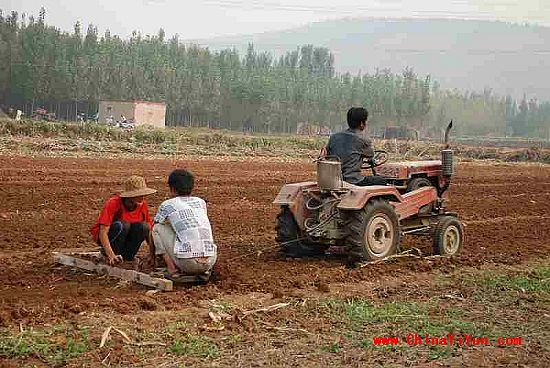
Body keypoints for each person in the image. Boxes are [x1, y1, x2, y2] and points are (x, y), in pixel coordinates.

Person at [152, 169, 217, 279]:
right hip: (210, 261)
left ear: (172, 188)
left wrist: (152, 256)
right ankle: (205, 268)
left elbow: (155, 225)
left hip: (188, 263)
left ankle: (171, 268)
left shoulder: (167, 204)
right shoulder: (200, 202)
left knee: (156, 228)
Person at [90, 176, 157, 266]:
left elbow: (149, 232)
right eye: (139, 195)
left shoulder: (142, 205)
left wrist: (153, 255)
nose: (142, 197)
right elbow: (103, 232)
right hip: (112, 237)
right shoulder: (113, 203)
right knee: (123, 225)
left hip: (127, 239)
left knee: (144, 227)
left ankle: (128, 257)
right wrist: (111, 255)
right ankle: (107, 254)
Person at [323, 107, 386, 186]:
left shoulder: (334, 137)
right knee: (381, 181)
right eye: (365, 121)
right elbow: (371, 155)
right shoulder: (363, 140)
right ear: (362, 123)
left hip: (334, 180)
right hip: (353, 180)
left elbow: (328, 154)